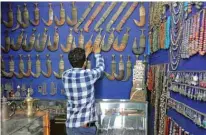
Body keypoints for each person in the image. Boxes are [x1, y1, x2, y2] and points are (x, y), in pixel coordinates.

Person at [62, 42, 105, 135]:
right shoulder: (89, 75)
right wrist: (97, 54)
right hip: (86, 129)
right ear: (85, 62)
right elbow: (101, 68)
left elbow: (75, 65)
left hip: (71, 127)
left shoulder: (65, 75)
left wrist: (84, 55)